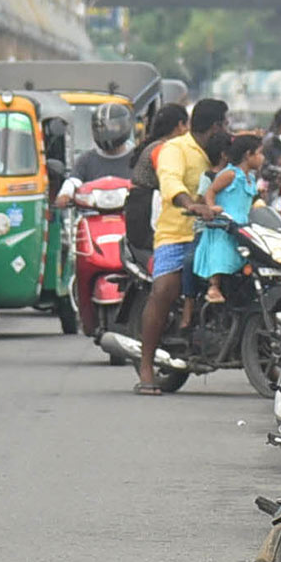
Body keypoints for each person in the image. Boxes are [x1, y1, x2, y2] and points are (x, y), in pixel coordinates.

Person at [138, 99, 229, 396]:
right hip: (177, 234)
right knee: (164, 289)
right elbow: (170, 182)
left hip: (216, 233)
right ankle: (147, 365)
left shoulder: (219, 152)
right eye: (224, 123)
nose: (226, 129)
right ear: (215, 125)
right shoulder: (175, 149)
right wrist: (192, 205)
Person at [194, 134, 262, 305]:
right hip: (224, 224)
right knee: (222, 250)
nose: (263, 158)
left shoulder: (251, 179)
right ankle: (213, 286)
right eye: (259, 153)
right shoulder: (230, 174)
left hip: (243, 225)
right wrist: (211, 207)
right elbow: (210, 191)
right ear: (248, 155)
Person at [125, 104, 189, 251]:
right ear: (180, 125)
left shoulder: (157, 145)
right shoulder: (163, 149)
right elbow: (168, 179)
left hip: (140, 207)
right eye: (187, 125)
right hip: (147, 210)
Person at [54, 102, 136, 207]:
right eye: (101, 127)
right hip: (92, 215)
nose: (107, 131)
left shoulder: (138, 157)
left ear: (124, 126)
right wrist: (65, 193)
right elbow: (74, 180)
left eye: (113, 126)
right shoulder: (86, 159)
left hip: (130, 215)